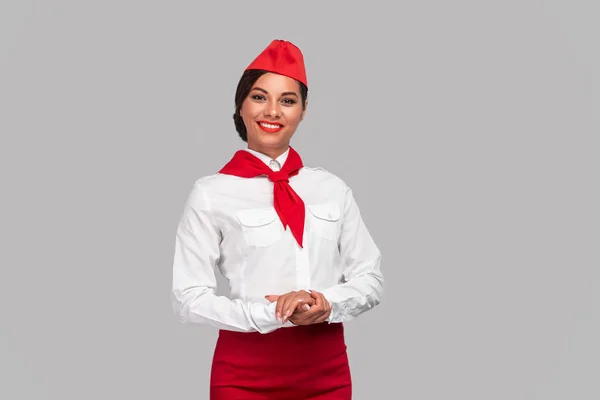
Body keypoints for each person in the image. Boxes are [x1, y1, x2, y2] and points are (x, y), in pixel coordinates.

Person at [171, 39, 384, 399]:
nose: (273, 111)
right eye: (259, 97)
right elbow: (188, 298)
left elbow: (371, 278)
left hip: (326, 374)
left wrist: (328, 303)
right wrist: (267, 314)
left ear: (302, 112)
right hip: (243, 375)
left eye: (287, 100)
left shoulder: (332, 188)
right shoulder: (210, 193)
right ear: (240, 106)